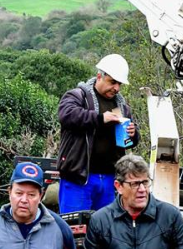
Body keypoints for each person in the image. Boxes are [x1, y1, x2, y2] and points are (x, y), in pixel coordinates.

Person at [56, 53, 140, 213]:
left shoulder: (121, 106)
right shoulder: (78, 96)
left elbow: (131, 141)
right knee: (75, 228)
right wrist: (100, 118)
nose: (116, 88)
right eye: (112, 82)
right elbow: (67, 115)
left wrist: (133, 134)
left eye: (119, 84)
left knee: (105, 232)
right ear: (99, 76)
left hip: (109, 179)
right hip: (79, 177)